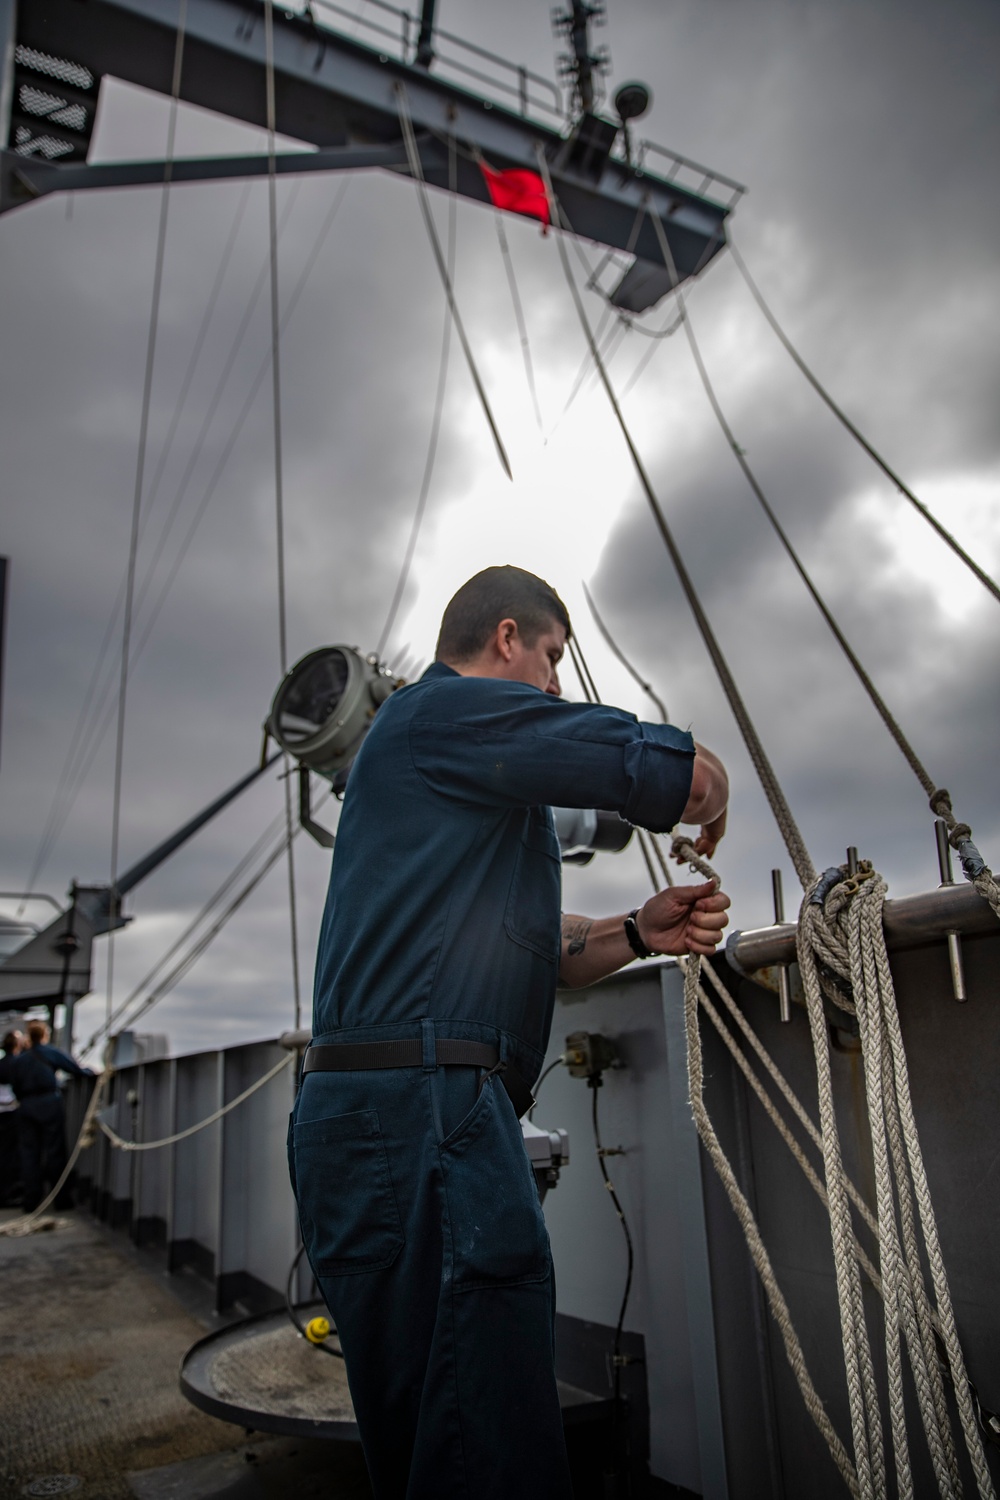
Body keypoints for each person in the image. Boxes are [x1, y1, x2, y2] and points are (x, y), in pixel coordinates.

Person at [288, 565, 730, 1500]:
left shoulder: (439, 766)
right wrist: (709, 783)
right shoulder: (438, 713)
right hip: (423, 1119)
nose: (558, 686)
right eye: (554, 658)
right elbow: (657, 771)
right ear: (506, 641)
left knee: (429, 1442)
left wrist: (638, 932)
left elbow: (543, 946)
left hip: (385, 1118)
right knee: (484, 1451)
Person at [11, 1019, 93, 1212]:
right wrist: (89, 1072)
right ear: (45, 1035)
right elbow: (75, 1069)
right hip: (49, 1104)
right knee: (55, 1152)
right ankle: (61, 1199)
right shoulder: (50, 1053)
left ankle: (31, 1202)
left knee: (30, 1154)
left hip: (27, 1106)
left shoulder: (20, 1060)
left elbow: (15, 1086)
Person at [0, 1029, 24, 1207]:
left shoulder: (1, 1063)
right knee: (12, 1154)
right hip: (13, 1113)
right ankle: (9, 1193)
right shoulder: (17, 1063)